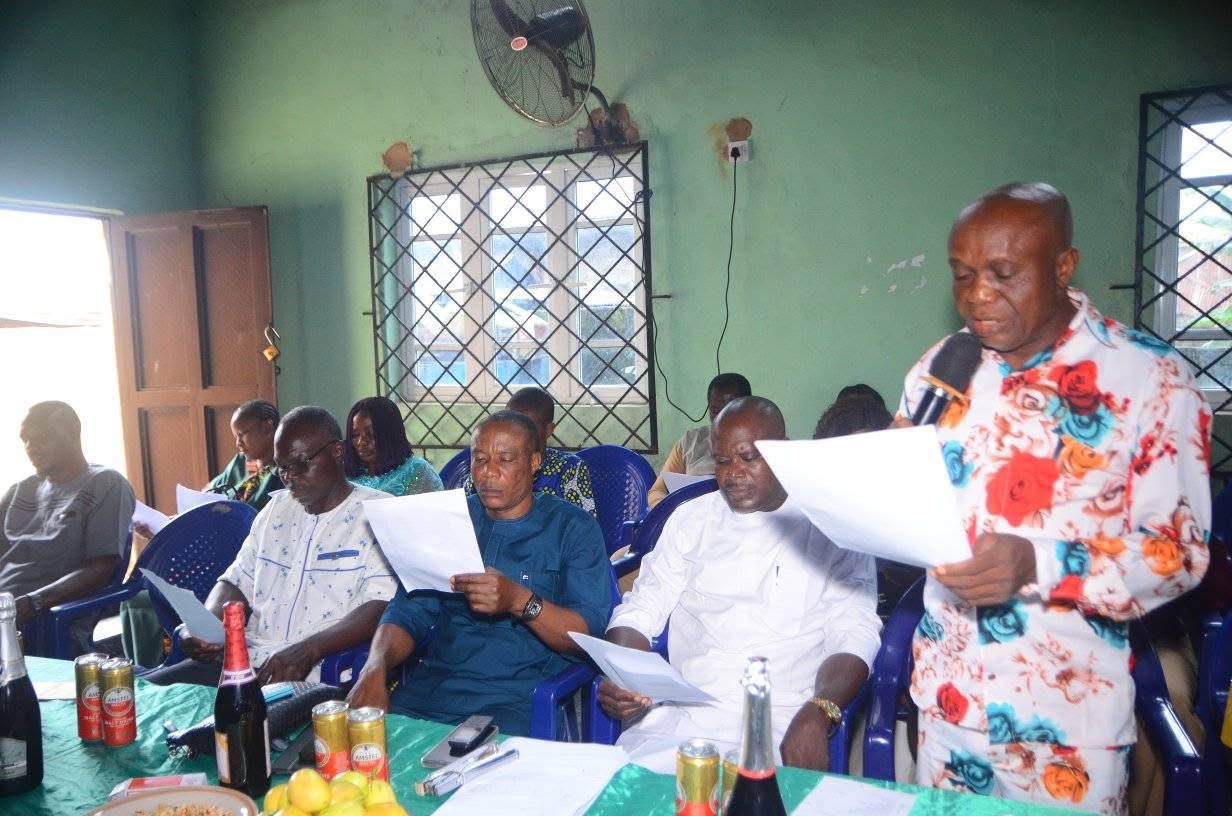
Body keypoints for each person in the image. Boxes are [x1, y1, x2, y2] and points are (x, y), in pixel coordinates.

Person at [899, 182, 1210, 814]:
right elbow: (905, 492)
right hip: (948, 702)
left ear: (1063, 267)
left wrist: (1036, 563)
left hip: (1067, 723)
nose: (978, 295)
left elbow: (1177, 554)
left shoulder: (1149, 378)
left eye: (1002, 274)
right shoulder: (944, 364)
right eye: (962, 276)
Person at [597, 396, 881, 773]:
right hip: (685, 715)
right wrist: (624, 672)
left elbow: (854, 631)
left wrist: (821, 709)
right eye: (722, 460)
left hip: (782, 717)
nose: (733, 475)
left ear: (782, 450)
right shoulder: (691, 520)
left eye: (750, 458)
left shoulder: (830, 526)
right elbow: (641, 606)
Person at [348, 410, 610, 736]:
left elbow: (587, 635)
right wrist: (375, 668)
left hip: (519, 696)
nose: (488, 474)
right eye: (480, 459)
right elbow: (409, 609)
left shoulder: (572, 528)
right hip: (437, 688)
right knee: (363, 759)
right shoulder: (451, 520)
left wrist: (519, 600)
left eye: (505, 460)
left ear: (534, 462)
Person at [143, 406, 397, 685]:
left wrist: (308, 649)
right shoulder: (275, 510)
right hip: (245, 661)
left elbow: (380, 603)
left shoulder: (377, 515)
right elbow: (237, 579)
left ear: (336, 452)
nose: (289, 478)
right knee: (153, 694)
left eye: (300, 465)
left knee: (231, 724)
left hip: (317, 670)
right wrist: (207, 623)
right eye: (282, 468)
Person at [123, 399, 286, 664]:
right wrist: (166, 525)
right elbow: (206, 499)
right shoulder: (243, 464)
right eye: (236, 436)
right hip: (207, 552)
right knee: (139, 595)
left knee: (147, 601)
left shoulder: (285, 473)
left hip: (237, 563)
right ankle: (147, 670)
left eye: (243, 434)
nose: (238, 444)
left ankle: (175, 661)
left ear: (268, 428)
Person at [0, 401, 135, 649]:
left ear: (73, 435)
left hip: (44, 614)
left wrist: (33, 602)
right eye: (26, 440)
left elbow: (101, 568)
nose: (32, 448)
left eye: (41, 439)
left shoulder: (105, 484)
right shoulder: (20, 491)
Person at [463, 387, 595, 516]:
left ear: (548, 430)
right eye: (510, 422)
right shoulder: (485, 468)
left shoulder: (568, 467)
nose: (516, 430)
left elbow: (582, 518)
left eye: (506, 459)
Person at [646, 372, 751, 508]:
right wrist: (671, 513)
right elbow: (657, 491)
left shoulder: (763, 444)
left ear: (748, 407)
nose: (722, 418)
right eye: (715, 411)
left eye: (731, 410)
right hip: (693, 520)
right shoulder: (690, 441)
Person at [343, 396, 442, 496]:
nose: (361, 442)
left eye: (370, 434)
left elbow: (433, 509)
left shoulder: (418, 471)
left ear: (390, 435)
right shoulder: (347, 475)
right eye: (355, 435)